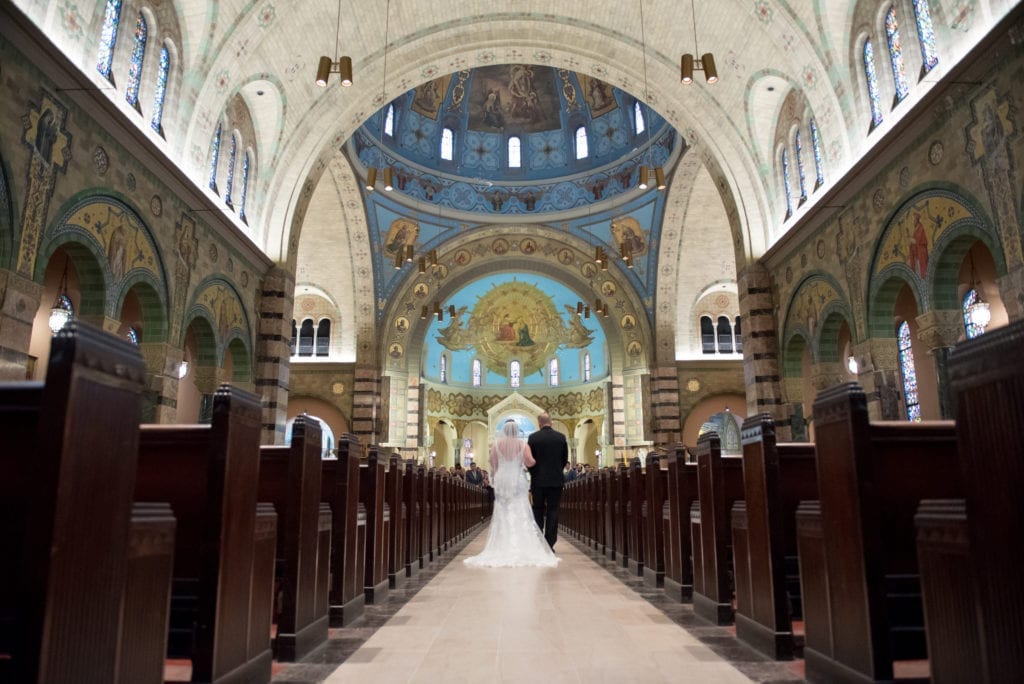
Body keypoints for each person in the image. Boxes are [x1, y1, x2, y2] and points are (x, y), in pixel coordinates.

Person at [464, 421, 559, 567]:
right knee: (520, 509)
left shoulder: (496, 446)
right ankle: (522, 545)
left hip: (502, 480)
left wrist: (497, 476)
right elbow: (531, 462)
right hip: (517, 479)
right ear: (516, 432)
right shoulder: (522, 445)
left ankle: (501, 544)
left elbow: (493, 465)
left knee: (503, 510)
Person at [527, 412, 569, 549]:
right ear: (551, 422)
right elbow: (564, 460)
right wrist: (556, 471)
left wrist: (535, 474)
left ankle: (539, 543)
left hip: (538, 481)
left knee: (538, 510)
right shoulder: (561, 438)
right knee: (553, 510)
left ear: (539, 423)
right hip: (556, 481)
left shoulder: (533, 438)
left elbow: (530, 461)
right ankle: (550, 544)